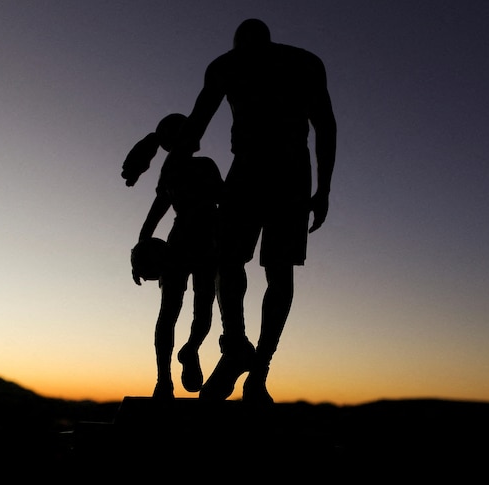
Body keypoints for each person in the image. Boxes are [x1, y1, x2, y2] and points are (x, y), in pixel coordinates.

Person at [166, 19, 337, 404]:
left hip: (272, 168)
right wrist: (323, 188)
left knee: (255, 265)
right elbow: (325, 127)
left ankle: (249, 362)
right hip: (277, 169)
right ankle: (244, 356)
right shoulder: (296, 62)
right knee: (252, 265)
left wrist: (169, 162)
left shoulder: (244, 64)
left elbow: (196, 124)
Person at [122, 113, 224, 400]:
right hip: (189, 245)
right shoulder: (183, 169)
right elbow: (158, 210)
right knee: (174, 313)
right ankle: (164, 379)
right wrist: (139, 255)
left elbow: (155, 215)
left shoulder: (198, 167)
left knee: (198, 311)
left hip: (200, 244)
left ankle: (188, 350)